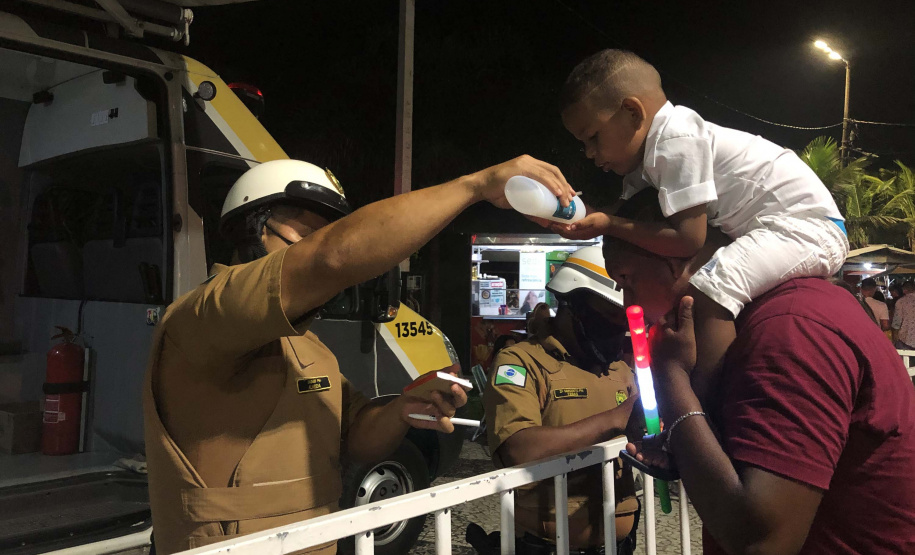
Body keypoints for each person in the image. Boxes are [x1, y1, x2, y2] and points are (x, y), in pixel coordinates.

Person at [143, 155, 577, 553]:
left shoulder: (308, 348)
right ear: (249, 230)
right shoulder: (202, 316)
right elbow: (333, 258)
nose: (315, 249)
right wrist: (476, 185)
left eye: (321, 237)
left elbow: (357, 442)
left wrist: (403, 409)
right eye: (304, 236)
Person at [611, 189, 915, 555]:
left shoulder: (789, 330)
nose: (627, 303)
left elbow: (762, 542)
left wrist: (670, 375)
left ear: (673, 263)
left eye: (627, 279)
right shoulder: (780, 312)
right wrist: (687, 447)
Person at [553, 49, 848, 406]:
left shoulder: (676, 141)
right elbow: (633, 219)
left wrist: (611, 223)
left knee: (712, 288)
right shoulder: (647, 162)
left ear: (632, 112)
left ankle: (705, 410)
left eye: (593, 137)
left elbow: (687, 239)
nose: (588, 152)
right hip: (787, 225)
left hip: (806, 227)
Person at [474, 246, 642, 555]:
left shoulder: (620, 370)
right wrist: (618, 420)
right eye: (608, 315)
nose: (617, 328)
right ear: (570, 305)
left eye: (624, 318)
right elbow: (518, 449)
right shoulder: (521, 362)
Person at [893, 280, 915, 348]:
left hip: (905, 338)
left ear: (904, 290)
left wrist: (895, 334)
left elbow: (897, 321)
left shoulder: (900, 302)